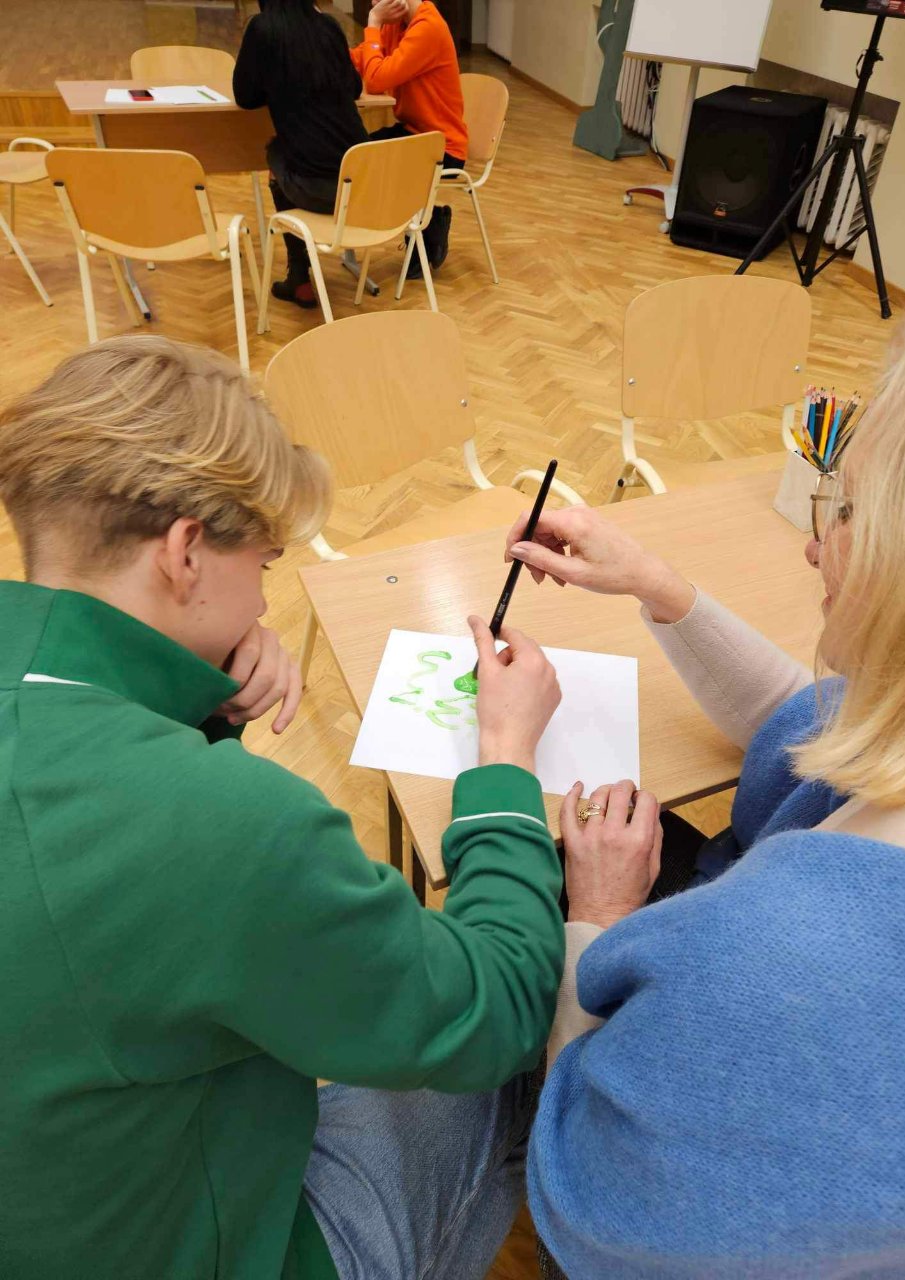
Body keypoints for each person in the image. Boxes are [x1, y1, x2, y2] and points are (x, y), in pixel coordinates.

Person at [0, 335, 568, 1280]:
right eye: (263, 566)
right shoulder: (226, 824)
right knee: (527, 1048)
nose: (263, 606)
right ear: (185, 553)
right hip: (219, 1248)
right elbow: (494, 1006)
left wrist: (192, 694)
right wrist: (506, 758)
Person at [514, 316, 905, 1277]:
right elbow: (820, 726)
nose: (813, 550)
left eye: (845, 512)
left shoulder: (771, 960)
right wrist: (657, 586)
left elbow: (595, 1188)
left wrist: (597, 914)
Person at [234, 0, 368, 309]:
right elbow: (354, 87)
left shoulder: (262, 28)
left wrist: (277, 86)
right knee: (295, 154)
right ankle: (299, 275)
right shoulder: (329, 27)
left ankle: (299, 275)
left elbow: (245, 96)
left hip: (317, 189)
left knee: (277, 150)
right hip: (364, 188)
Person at [352, 0, 468, 276]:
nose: (374, 3)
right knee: (354, 151)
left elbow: (376, 79)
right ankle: (424, 220)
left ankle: (429, 222)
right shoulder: (397, 24)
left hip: (442, 146)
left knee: (363, 160)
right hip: (414, 132)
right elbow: (362, 58)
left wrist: (373, 23)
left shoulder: (428, 27)